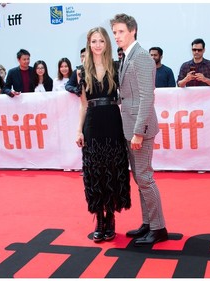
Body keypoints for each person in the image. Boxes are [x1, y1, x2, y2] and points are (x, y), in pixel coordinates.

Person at [110, 13, 168, 246]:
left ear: (133, 30)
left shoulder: (142, 57)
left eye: (120, 31)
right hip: (130, 126)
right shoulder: (127, 56)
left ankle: (159, 228)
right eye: (114, 32)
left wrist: (139, 131)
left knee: (145, 178)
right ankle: (148, 223)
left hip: (139, 128)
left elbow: (146, 97)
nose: (116, 36)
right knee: (140, 178)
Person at [75, 27, 131, 243]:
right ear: (89, 44)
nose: (97, 45)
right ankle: (99, 219)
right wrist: (79, 130)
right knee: (95, 171)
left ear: (107, 44)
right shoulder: (82, 70)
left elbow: (125, 97)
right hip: (93, 124)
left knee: (113, 169)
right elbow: (82, 105)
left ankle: (111, 218)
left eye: (101, 41)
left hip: (112, 121)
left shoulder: (116, 67)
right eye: (94, 41)